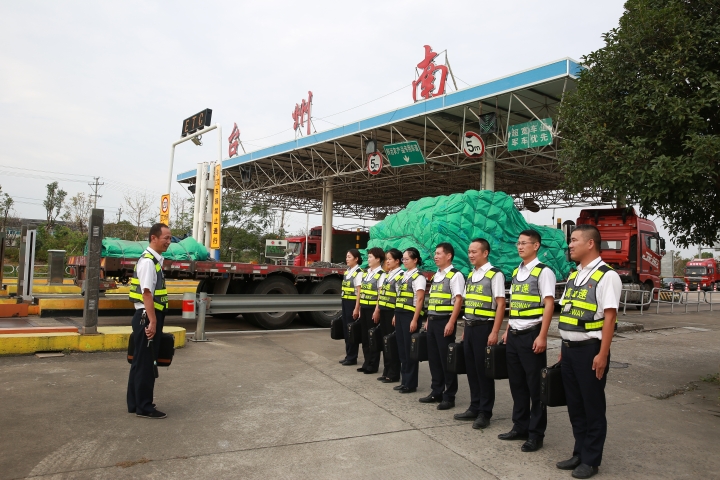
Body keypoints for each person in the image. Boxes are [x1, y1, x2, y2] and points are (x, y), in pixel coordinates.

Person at [555, 224, 620, 479]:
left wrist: (602, 354)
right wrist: (564, 348)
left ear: (590, 243)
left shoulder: (607, 276)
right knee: (575, 405)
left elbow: (610, 319)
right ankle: (579, 453)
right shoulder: (574, 276)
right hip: (569, 350)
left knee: (592, 407)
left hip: (590, 351)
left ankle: (591, 460)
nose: (569, 245)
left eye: (574, 240)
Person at [499, 229, 556, 452]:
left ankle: (536, 434)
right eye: (518, 243)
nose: (520, 246)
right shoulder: (516, 271)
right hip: (514, 335)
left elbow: (549, 304)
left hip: (532, 335)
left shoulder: (544, 272)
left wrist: (542, 335)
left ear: (536, 246)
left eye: (524, 243)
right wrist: (507, 328)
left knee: (535, 388)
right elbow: (515, 304)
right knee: (517, 384)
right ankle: (520, 426)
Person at [454, 238, 506, 429]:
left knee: (484, 371)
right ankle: (474, 406)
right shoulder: (471, 274)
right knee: (471, 369)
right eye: (469, 251)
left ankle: (485, 412)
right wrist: (465, 330)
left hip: (485, 327)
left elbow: (501, 304)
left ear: (485, 253)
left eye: (474, 252)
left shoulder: (494, 274)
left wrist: (495, 331)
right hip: (470, 327)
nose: (470, 255)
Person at [127, 223, 172, 419]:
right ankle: (144, 407)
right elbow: (147, 294)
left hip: (146, 316)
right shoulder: (148, 262)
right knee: (146, 363)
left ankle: (135, 403)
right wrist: (152, 322)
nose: (169, 242)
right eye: (166, 238)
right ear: (153, 238)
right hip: (147, 317)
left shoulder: (154, 260)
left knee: (139, 361)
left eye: (170, 238)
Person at [421, 243, 465, 410]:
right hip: (433, 321)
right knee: (434, 359)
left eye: (439, 253)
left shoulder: (455, 275)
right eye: (435, 253)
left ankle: (449, 395)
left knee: (447, 360)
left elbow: (458, 300)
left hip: (445, 321)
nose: (436, 256)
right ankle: (436, 391)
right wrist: (428, 320)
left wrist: (452, 322)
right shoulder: (436, 275)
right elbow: (433, 300)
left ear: (449, 256)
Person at [393, 247, 426, 394]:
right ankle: (404, 381)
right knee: (402, 349)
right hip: (400, 314)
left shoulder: (418, 277)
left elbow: (420, 299)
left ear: (415, 260)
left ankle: (410, 383)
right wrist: (395, 314)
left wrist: (415, 319)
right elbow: (399, 297)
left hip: (410, 316)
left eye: (407, 259)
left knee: (409, 350)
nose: (404, 261)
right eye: (403, 259)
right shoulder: (404, 275)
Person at [374, 248, 403, 383]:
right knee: (385, 342)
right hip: (384, 311)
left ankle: (393, 373)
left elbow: (400, 297)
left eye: (390, 259)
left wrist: (396, 314)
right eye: (386, 259)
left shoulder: (400, 275)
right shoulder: (388, 274)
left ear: (397, 261)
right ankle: (386, 371)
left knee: (392, 343)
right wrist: (378, 309)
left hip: (392, 312)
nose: (387, 261)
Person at [358, 247, 385, 374]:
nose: (368, 259)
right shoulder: (366, 272)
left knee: (372, 336)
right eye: (368, 257)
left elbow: (380, 294)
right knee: (364, 337)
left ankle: (373, 365)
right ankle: (366, 362)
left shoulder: (381, 274)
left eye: (370, 257)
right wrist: (359, 308)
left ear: (378, 259)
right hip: (364, 307)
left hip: (373, 309)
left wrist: (377, 310)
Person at [339, 249, 363, 366]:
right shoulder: (348, 271)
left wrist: (357, 308)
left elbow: (359, 292)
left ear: (356, 259)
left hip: (352, 303)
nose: (347, 259)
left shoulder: (358, 272)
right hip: (345, 302)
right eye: (346, 257)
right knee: (346, 329)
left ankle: (352, 357)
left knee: (351, 330)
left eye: (349, 257)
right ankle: (348, 355)